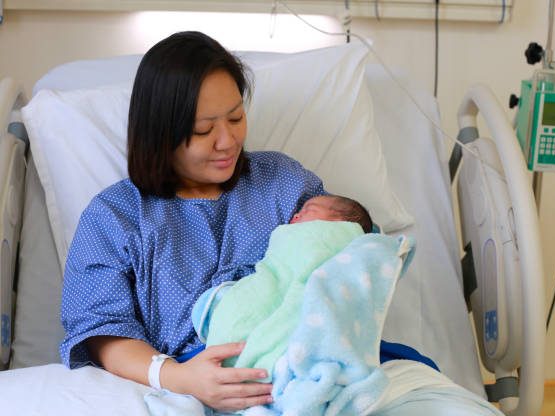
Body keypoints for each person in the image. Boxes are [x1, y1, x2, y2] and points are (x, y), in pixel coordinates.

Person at [59, 31, 327, 412]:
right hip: (179, 384)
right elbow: (101, 329)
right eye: (203, 130)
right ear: (159, 135)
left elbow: (341, 255)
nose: (228, 141)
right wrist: (180, 377)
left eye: (236, 117)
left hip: (297, 370)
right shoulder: (115, 215)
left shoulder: (283, 184)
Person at [190, 195, 374, 381]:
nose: (294, 215)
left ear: (337, 224)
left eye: (307, 211)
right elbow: (278, 269)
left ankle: (269, 358)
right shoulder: (290, 237)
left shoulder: (335, 241)